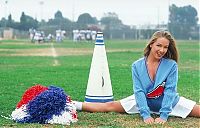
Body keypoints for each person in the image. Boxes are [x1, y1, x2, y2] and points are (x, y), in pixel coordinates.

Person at [74, 30, 200, 124]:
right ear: (151, 44)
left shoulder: (171, 65)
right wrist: (145, 115)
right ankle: (73, 104)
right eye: (159, 45)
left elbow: (170, 91)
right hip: (143, 102)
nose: (162, 50)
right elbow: (139, 91)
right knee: (109, 106)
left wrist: (163, 116)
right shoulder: (137, 66)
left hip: (171, 103)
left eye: (165, 47)